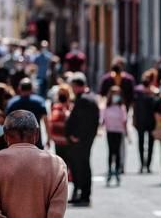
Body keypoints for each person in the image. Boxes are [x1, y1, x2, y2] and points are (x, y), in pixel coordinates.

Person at [65, 73, 99, 206]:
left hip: (81, 140)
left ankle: (84, 194)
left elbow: (84, 122)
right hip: (82, 139)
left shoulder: (85, 100)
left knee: (82, 166)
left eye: (73, 87)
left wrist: (76, 136)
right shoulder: (85, 98)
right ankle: (81, 193)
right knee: (79, 166)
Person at [6, 78, 48, 146]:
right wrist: (49, 138)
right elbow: (45, 120)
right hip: (35, 140)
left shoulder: (12, 103)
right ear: (32, 88)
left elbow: (7, 122)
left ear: (19, 88)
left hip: (17, 141)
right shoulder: (39, 102)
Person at [101, 86, 128, 186]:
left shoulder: (121, 107)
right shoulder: (106, 107)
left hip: (118, 131)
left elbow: (124, 121)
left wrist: (126, 133)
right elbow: (102, 120)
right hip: (110, 131)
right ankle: (109, 170)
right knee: (110, 151)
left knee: (117, 151)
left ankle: (117, 170)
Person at [133, 69, 158, 173]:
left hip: (151, 122)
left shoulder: (154, 94)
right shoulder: (138, 94)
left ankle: (147, 165)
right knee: (141, 143)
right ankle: (143, 164)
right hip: (141, 121)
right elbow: (135, 108)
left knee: (150, 144)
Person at [46, 84, 72, 172]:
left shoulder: (71, 108)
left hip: (68, 140)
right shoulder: (55, 107)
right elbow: (51, 123)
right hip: (58, 140)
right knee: (61, 164)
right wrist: (49, 138)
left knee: (67, 163)